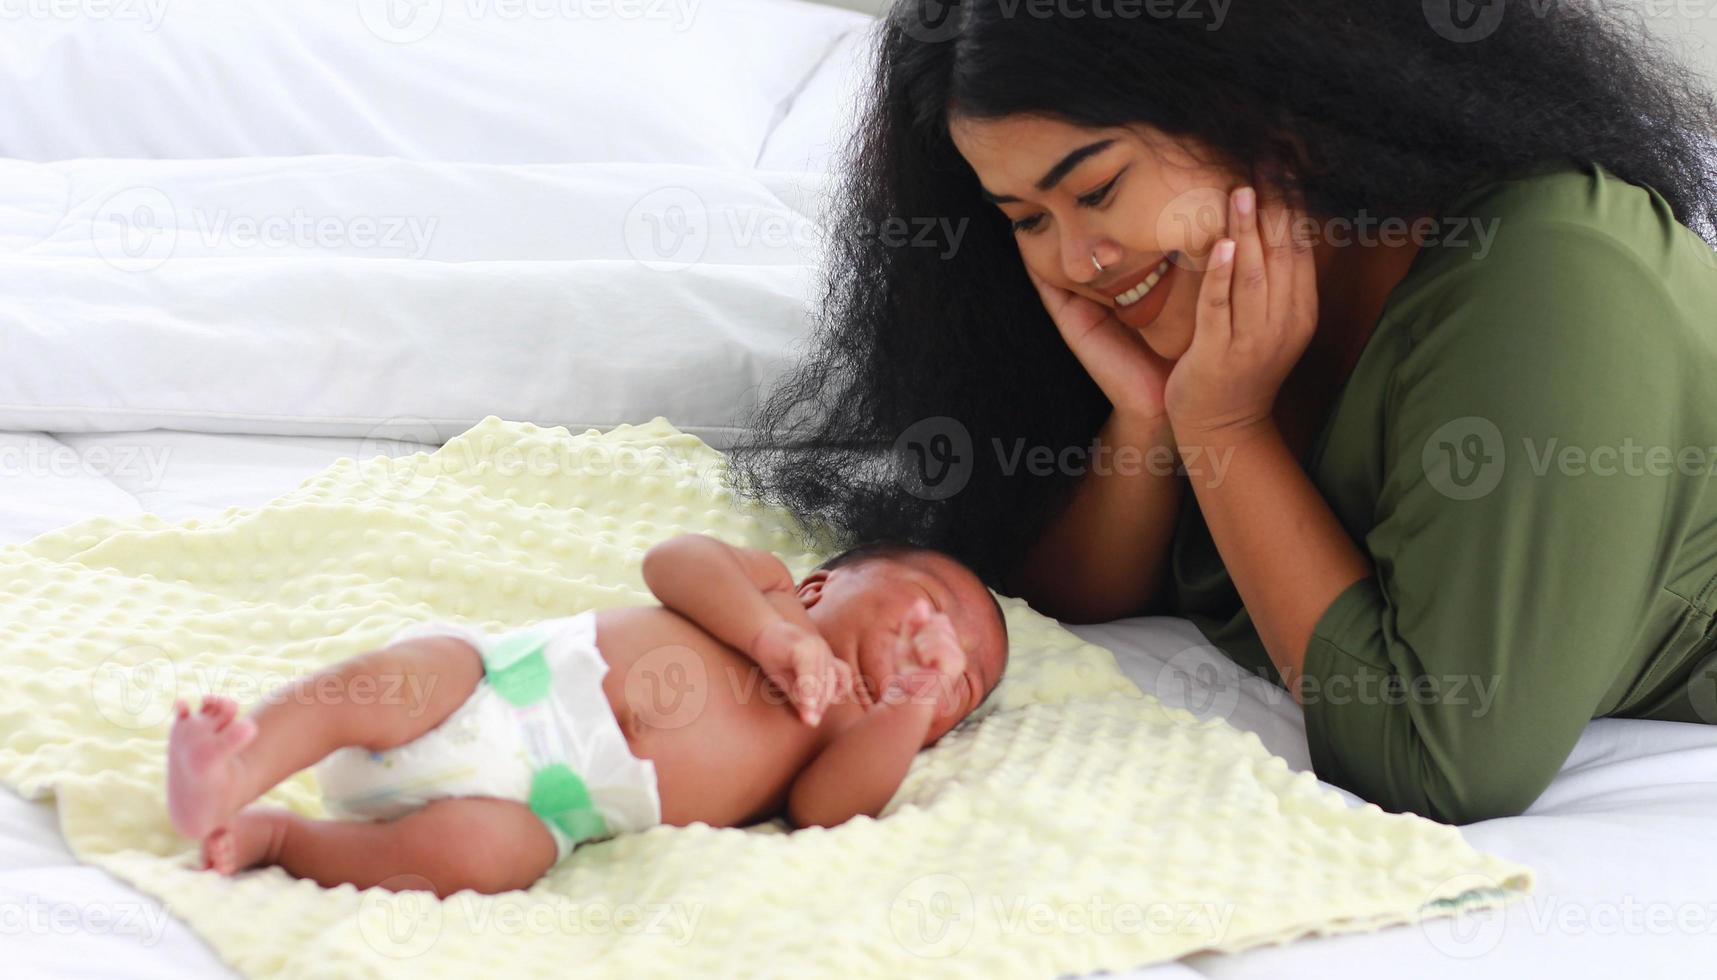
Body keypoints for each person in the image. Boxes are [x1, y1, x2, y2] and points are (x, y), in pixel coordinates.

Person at [725, 0, 1717, 824]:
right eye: (1027, 218)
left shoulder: (1550, 283)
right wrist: (1152, 418)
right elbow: (1071, 601)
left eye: (1098, 188)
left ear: (1265, 113)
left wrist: (1227, 433)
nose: (1077, 261)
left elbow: (1440, 760)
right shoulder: (1216, 297)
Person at [165, 533, 1009, 897]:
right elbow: (671, 563)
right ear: (826, 584)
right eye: (926, 609)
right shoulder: (771, 593)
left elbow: (825, 813)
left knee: (491, 860)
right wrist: (766, 632)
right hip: (496, 684)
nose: (936, 655)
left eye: (958, 687)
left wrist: (904, 710)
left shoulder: (845, 739)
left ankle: (283, 841)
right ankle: (236, 766)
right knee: (396, 680)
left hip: (539, 808)